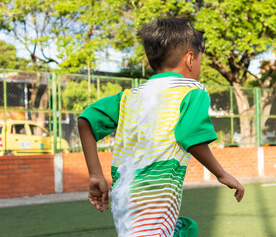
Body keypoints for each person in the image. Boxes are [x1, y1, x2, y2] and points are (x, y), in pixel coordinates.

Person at [78, 18, 245, 237]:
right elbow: (190, 135)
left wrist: (95, 175)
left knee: (185, 229)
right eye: (201, 61)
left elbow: (86, 121)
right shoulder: (192, 90)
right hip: (153, 201)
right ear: (191, 59)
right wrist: (221, 174)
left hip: (124, 197)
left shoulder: (131, 95)